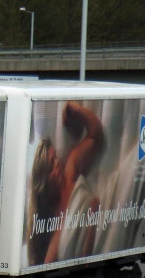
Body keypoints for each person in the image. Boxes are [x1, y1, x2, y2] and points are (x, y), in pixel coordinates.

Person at [27, 101, 104, 266]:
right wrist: (91, 225)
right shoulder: (50, 220)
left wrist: (76, 109)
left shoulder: (70, 170)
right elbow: (52, 263)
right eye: (50, 167)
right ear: (43, 182)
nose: (56, 164)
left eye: (55, 157)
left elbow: (95, 135)